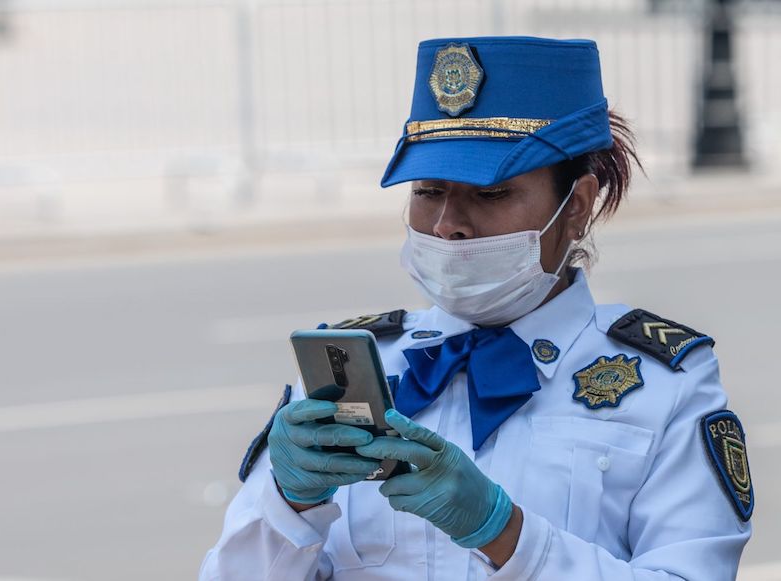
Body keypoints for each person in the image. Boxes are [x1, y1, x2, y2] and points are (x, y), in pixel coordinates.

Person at [200, 36, 752, 580]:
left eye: (490, 195)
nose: (448, 225)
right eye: (428, 191)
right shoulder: (358, 369)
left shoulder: (664, 385)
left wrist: (504, 534)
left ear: (576, 206)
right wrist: (286, 506)